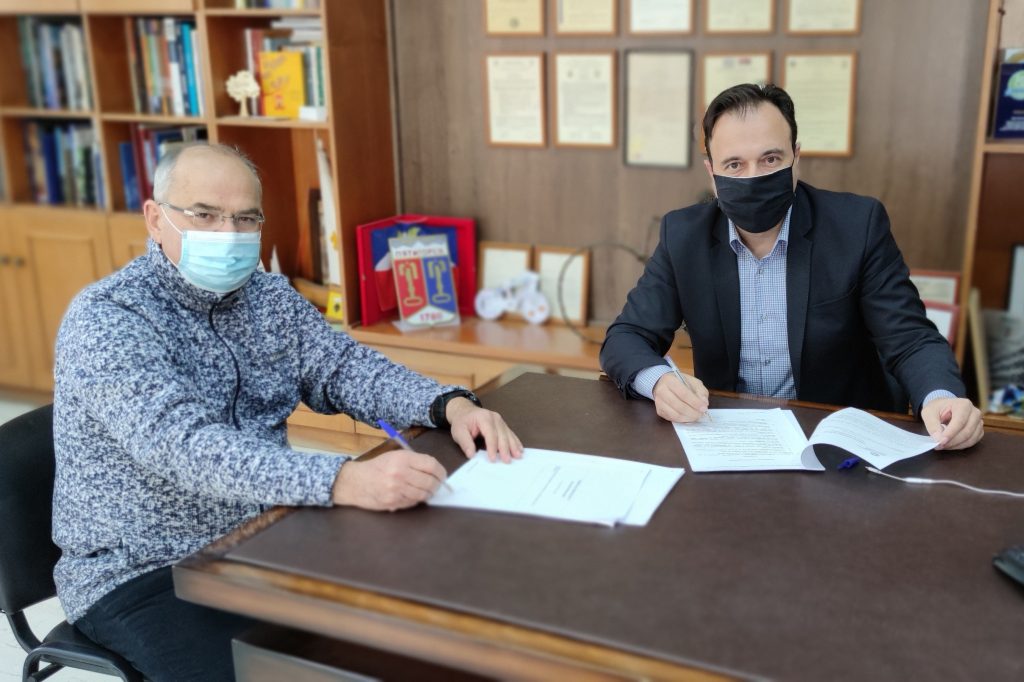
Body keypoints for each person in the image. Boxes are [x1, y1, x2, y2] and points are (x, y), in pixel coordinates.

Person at [51, 143, 523, 681]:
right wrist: (340, 480)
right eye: (205, 214)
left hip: (268, 530)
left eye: (245, 218)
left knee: (416, 629)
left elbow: (345, 369)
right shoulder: (108, 319)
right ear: (156, 219)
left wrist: (446, 403)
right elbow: (184, 447)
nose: (227, 233)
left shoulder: (268, 297)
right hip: (144, 568)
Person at [601, 83, 983, 451]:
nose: (753, 177)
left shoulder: (856, 226)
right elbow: (627, 336)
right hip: (732, 438)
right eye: (734, 164)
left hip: (836, 439)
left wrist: (940, 398)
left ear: (796, 157)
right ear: (711, 173)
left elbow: (910, 338)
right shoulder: (684, 236)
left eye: (770, 159)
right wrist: (659, 382)